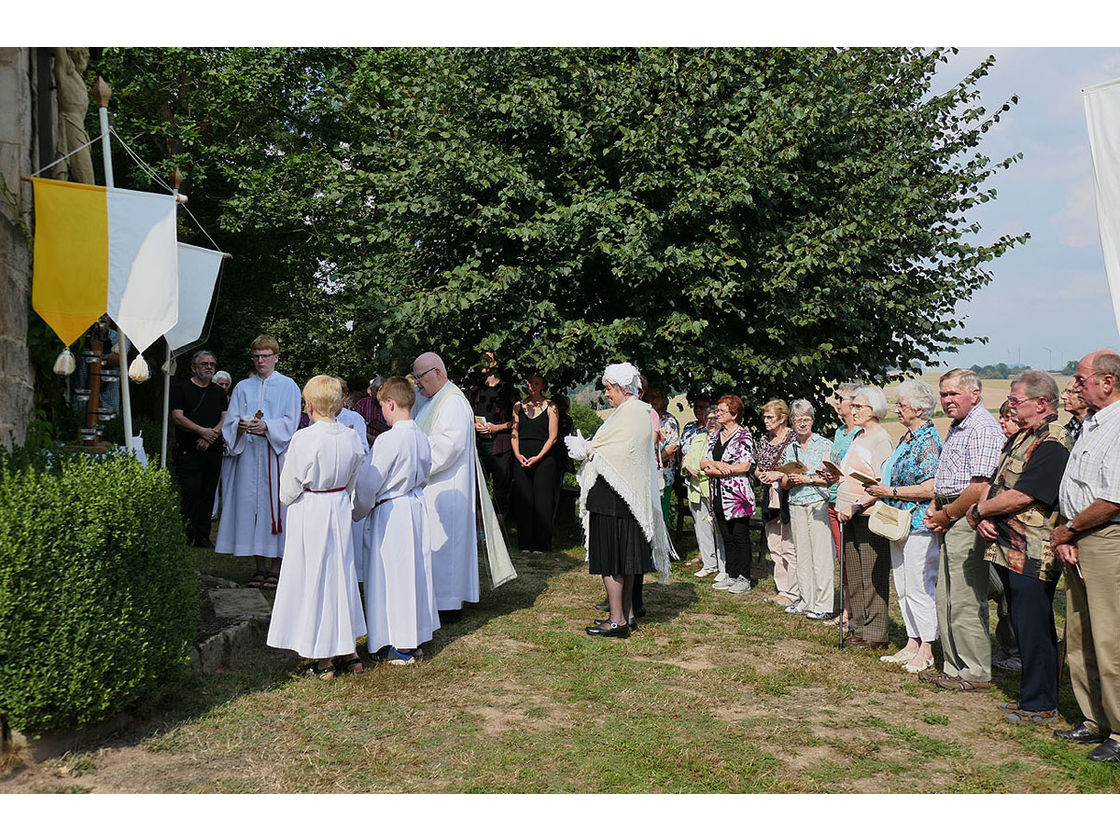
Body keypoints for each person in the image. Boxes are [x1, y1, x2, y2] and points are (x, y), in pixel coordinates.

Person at [965, 370, 1071, 725]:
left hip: (1034, 552)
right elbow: (997, 481)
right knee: (1023, 624)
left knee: (1036, 626)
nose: (1010, 405)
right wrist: (981, 513)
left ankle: (1041, 703)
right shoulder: (1027, 435)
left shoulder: (1052, 441)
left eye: (1016, 400)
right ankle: (1030, 696)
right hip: (1011, 547)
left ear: (1042, 403)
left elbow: (1026, 494)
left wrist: (980, 510)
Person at [266, 375, 367, 680]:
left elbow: (287, 491)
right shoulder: (350, 436)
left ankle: (324, 658)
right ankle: (349, 652)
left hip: (311, 509)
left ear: (309, 405)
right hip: (337, 507)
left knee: (316, 578)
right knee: (341, 576)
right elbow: (354, 478)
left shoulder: (304, 438)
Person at [1051, 350, 1120, 762]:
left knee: (1110, 636)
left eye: (1080, 379)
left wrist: (1070, 529)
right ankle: (1094, 719)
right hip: (1077, 536)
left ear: (1107, 382)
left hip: (1104, 538)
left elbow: (1112, 498)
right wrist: (1066, 532)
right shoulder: (1091, 425)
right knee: (1078, 632)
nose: (1074, 387)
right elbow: (1075, 485)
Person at [571, 362, 673, 637]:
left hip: (613, 499)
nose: (607, 394)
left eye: (609, 388)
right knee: (625, 561)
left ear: (621, 388)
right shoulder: (643, 411)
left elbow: (614, 452)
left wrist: (586, 450)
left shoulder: (629, 413)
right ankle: (626, 615)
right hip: (628, 499)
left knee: (612, 561)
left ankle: (617, 620)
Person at [921, 369, 1004, 691]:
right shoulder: (958, 426)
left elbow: (980, 486)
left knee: (966, 599)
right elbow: (948, 476)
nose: (947, 400)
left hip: (965, 518)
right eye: (943, 394)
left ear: (975, 394)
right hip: (949, 513)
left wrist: (947, 514)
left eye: (954, 394)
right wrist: (936, 507)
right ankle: (954, 667)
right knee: (948, 597)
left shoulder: (982, 428)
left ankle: (975, 671)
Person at [352, 376, 439, 665]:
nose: (383, 415)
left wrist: (357, 511)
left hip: (391, 512)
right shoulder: (422, 436)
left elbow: (369, 482)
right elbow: (426, 474)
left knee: (391, 576)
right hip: (413, 506)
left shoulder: (389, 440)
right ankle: (412, 637)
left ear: (390, 403)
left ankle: (396, 643)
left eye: (383, 409)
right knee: (412, 573)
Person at [863, 379, 942, 672]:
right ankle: (911, 641)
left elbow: (930, 487)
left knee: (920, 586)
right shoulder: (906, 439)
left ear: (919, 409)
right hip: (897, 522)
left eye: (902, 405)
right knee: (903, 585)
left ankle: (927, 649)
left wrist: (891, 493)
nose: (897, 409)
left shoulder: (929, 442)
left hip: (919, 524)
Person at [215, 335, 302, 590]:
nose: (260, 360)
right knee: (252, 509)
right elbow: (230, 422)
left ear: (276, 357)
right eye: (256, 356)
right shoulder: (243, 387)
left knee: (274, 509)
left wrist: (267, 426)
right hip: (249, 457)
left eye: (265, 356)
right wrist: (240, 427)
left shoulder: (288, 386)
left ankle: (276, 566)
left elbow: (291, 420)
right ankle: (259, 566)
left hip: (275, 456)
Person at [412, 352, 480, 620]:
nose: (417, 383)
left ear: (437, 373)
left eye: (420, 377)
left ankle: (448, 602)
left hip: (447, 487)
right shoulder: (433, 401)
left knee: (446, 548)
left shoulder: (452, 402)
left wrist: (415, 463)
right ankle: (436, 598)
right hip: (433, 487)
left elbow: (448, 447)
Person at [833, 385, 894, 649]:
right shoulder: (858, 435)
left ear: (874, 409)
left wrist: (858, 505)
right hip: (848, 513)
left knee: (872, 575)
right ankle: (860, 625)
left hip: (867, 514)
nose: (853, 410)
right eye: (853, 405)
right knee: (854, 573)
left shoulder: (881, 439)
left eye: (859, 406)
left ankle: (876, 633)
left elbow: (883, 483)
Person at [777, 400, 834, 619]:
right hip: (795, 502)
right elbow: (783, 481)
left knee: (821, 556)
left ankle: (824, 604)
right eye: (798, 419)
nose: (802, 423)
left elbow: (831, 478)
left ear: (813, 420)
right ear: (791, 422)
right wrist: (790, 479)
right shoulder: (789, 447)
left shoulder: (824, 444)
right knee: (802, 555)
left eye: (806, 419)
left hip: (818, 502)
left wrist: (807, 478)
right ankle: (805, 599)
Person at [169, 350, 228, 548]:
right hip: (189, 450)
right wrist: (201, 431)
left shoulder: (219, 392)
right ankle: (186, 535)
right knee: (190, 494)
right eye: (205, 364)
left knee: (208, 493)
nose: (209, 367)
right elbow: (177, 417)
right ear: (194, 367)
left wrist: (211, 436)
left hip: (213, 450)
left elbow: (225, 417)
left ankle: (203, 536)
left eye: (212, 363)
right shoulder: (181, 389)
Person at [702, 395, 756, 595]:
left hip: (737, 495)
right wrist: (719, 466)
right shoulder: (715, 435)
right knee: (726, 535)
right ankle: (731, 574)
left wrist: (723, 470)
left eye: (722, 411)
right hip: (717, 493)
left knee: (740, 535)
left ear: (734, 414)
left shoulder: (744, 436)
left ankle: (744, 576)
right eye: (717, 411)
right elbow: (703, 461)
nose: (717, 414)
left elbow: (746, 464)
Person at [826, 382, 864, 631]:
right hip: (832, 497)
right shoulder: (840, 431)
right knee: (842, 557)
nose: (837, 402)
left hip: (851, 501)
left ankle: (854, 613)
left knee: (852, 557)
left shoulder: (861, 433)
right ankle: (846, 609)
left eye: (841, 398)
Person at [510, 372, 561, 553]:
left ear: (543, 386)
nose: (532, 386)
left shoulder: (551, 406)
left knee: (543, 502)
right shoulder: (518, 406)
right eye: (530, 383)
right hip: (522, 458)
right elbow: (514, 434)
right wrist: (517, 455)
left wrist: (538, 457)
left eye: (536, 383)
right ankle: (525, 543)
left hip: (544, 459)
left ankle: (542, 544)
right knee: (524, 501)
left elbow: (553, 437)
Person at [753, 400, 797, 604]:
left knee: (789, 543)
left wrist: (776, 474)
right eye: (764, 417)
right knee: (774, 542)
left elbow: (798, 467)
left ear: (782, 418)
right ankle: (783, 589)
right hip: (768, 496)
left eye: (770, 417)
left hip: (788, 495)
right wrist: (761, 475)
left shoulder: (793, 438)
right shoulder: (764, 439)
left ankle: (794, 590)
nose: (766, 421)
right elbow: (758, 467)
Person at [468, 350, 517, 518]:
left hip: (501, 446)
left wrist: (498, 427)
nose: (483, 362)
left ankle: (499, 531)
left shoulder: (509, 391)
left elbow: (517, 421)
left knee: (500, 489)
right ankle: (480, 528)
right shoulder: (475, 390)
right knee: (477, 487)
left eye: (487, 359)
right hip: (479, 445)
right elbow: (467, 416)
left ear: (496, 363)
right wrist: (474, 425)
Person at [682, 406, 724, 578]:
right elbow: (687, 459)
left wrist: (701, 469)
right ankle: (709, 563)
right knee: (701, 528)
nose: (711, 422)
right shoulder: (698, 438)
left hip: (713, 488)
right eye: (708, 419)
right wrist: (686, 467)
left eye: (715, 418)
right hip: (695, 488)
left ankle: (723, 565)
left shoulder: (722, 439)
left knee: (719, 528)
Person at [646, 386, 682, 529]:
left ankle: (662, 547)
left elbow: (673, 447)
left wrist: (654, 460)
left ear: (663, 400)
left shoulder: (669, 421)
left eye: (656, 397)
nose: (653, 400)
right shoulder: (643, 417)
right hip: (643, 471)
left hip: (662, 474)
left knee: (661, 511)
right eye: (650, 396)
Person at [211, 369, 233, 521]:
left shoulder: (233, 401)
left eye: (226, 384)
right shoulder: (210, 399)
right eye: (221, 384)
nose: (224, 387)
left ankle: (227, 512)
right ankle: (212, 512)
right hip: (213, 442)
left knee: (228, 482)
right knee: (213, 482)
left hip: (230, 446)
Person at [354, 375, 391, 447]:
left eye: (381, 391)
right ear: (371, 390)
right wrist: (369, 437)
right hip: (366, 444)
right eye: (376, 390)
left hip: (386, 444)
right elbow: (355, 426)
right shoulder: (362, 404)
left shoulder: (390, 405)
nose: (378, 394)